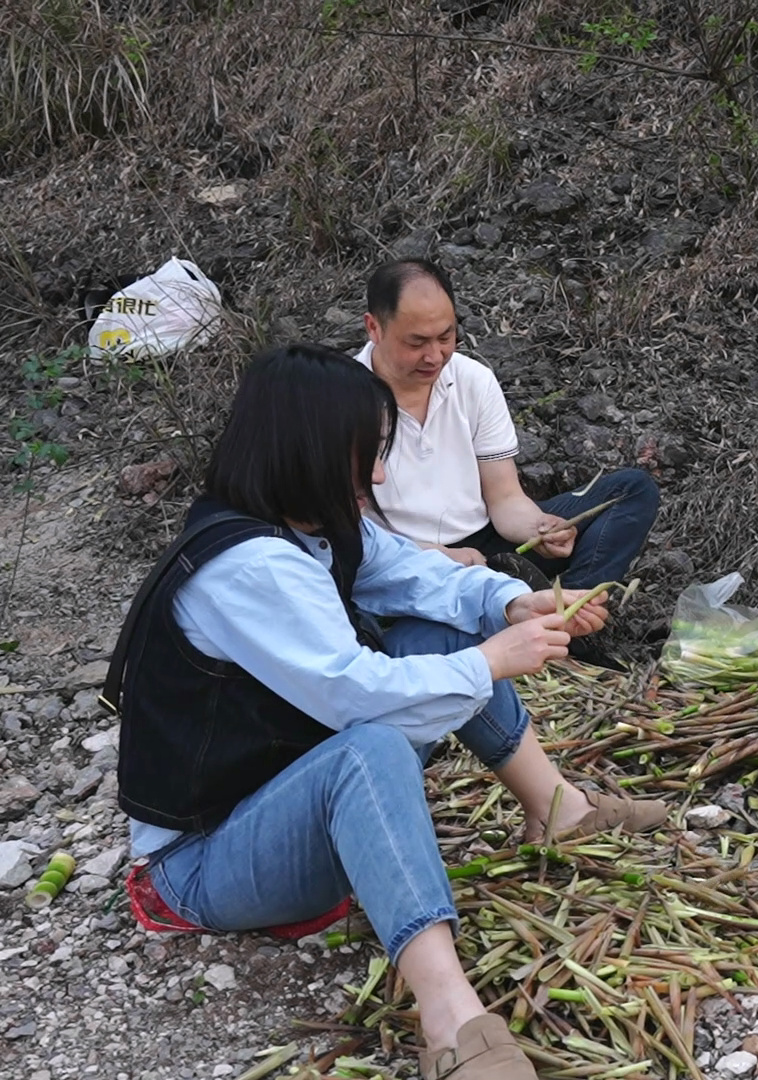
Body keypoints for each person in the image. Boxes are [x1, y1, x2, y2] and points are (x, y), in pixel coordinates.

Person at [106, 345, 669, 1080]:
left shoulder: (315, 522)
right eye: (365, 456)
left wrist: (509, 601)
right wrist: (494, 659)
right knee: (369, 746)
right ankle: (452, 1020)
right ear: (307, 449)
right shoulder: (246, 566)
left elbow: (417, 577)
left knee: (443, 631)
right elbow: (355, 694)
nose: (376, 476)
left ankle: (559, 807)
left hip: (285, 798)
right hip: (202, 861)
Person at [355, 259, 661, 663]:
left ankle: (566, 618)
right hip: (399, 561)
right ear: (374, 328)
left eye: (446, 336)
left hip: (487, 548)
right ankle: (523, 620)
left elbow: (502, 497)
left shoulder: (472, 380)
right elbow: (345, 530)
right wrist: (433, 553)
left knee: (631, 491)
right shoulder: (344, 397)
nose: (435, 355)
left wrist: (539, 526)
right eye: (416, 343)